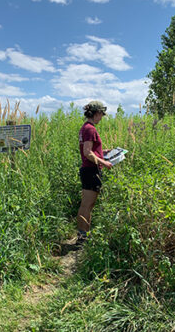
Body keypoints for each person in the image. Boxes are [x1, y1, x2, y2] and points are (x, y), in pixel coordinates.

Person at [76, 101, 112, 246]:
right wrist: (104, 162)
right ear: (96, 113)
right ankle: (82, 238)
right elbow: (88, 153)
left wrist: (103, 153)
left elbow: (90, 151)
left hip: (88, 169)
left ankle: (84, 235)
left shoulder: (85, 128)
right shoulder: (90, 129)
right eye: (101, 115)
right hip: (91, 170)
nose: (101, 118)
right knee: (87, 205)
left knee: (87, 205)